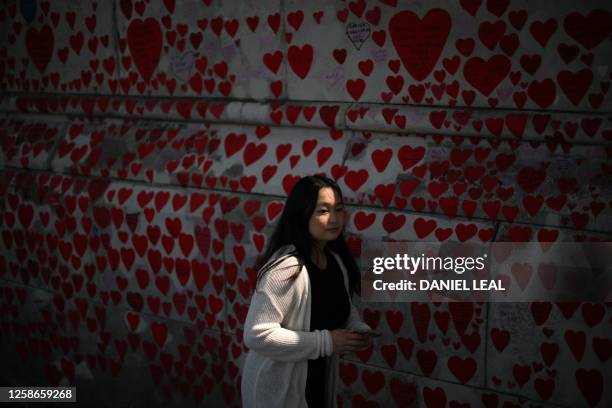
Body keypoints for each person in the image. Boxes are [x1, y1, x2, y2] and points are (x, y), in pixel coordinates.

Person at [240, 174, 374, 408]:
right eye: (322, 211)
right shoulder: (287, 267)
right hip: (276, 396)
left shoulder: (335, 261)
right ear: (302, 216)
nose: (334, 219)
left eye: (339, 209)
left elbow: (343, 307)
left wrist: (356, 330)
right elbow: (256, 334)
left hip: (316, 386)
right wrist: (328, 342)